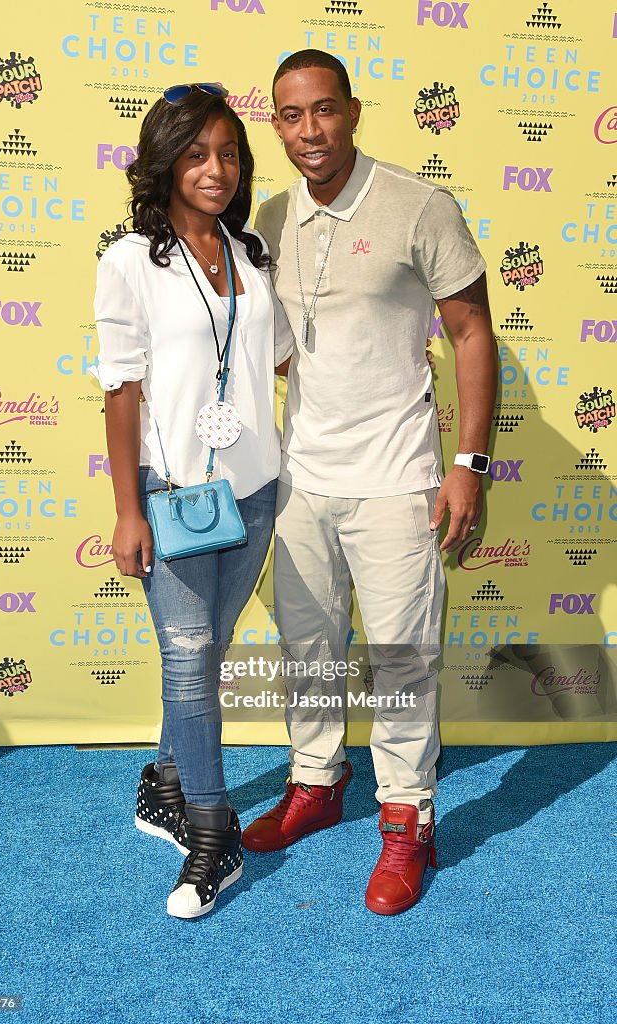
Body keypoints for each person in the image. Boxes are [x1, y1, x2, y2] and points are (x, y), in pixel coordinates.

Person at [241, 50, 498, 915]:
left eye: (322, 111)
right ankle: (317, 786)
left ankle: (407, 825)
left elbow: (470, 333)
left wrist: (468, 465)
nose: (307, 131)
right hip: (301, 478)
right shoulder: (269, 220)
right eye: (288, 115)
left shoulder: (420, 206)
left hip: (398, 478)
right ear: (273, 123)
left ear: (352, 112)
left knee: (399, 664)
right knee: (307, 652)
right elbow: (279, 349)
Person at [90, 83, 293, 919]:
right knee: (186, 661)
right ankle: (213, 830)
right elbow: (120, 390)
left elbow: (280, 359)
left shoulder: (251, 254)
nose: (217, 169)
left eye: (230, 154)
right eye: (199, 153)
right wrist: (128, 509)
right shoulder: (130, 259)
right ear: (166, 160)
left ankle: (166, 779)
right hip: (172, 497)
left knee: (208, 653)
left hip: (253, 492)